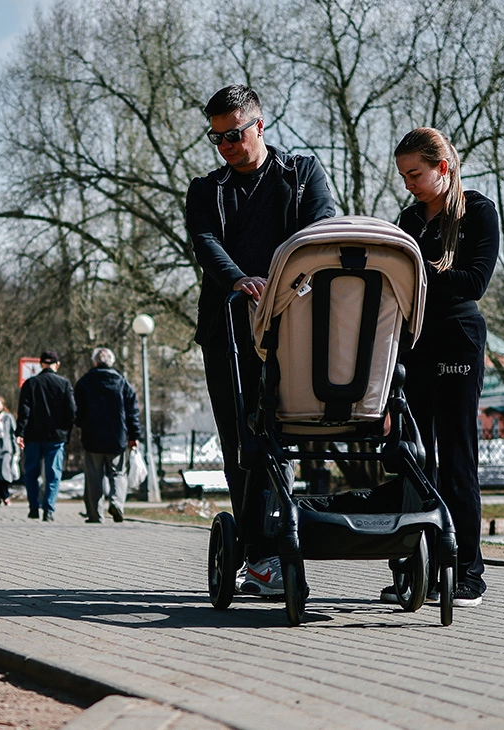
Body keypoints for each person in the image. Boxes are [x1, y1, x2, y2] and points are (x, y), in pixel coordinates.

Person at [185, 84, 337, 595]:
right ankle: (258, 554)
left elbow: (321, 231)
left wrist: (288, 282)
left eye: (234, 134)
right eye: (216, 137)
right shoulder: (207, 190)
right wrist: (238, 280)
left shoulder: (301, 174)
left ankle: (281, 543)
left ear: (260, 125)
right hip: (227, 330)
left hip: (292, 326)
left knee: (283, 436)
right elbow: (205, 241)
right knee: (242, 444)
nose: (226, 145)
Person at [383, 127, 498, 608]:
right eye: (402, 175)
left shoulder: (479, 211)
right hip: (412, 344)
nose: (408, 183)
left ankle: (467, 572)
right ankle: (415, 570)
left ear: (442, 167)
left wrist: (416, 271)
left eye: (415, 173)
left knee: (455, 459)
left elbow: (472, 282)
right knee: (412, 458)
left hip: (456, 340)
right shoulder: (408, 218)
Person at [73, 347, 141, 523]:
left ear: (95, 362)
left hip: (92, 437)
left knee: (94, 477)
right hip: (117, 437)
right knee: (118, 473)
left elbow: (77, 411)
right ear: (112, 362)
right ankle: (117, 504)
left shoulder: (84, 382)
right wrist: (134, 435)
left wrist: (80, 424)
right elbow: (132, 411)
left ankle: (95, 515)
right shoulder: (122, 382)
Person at [16, 350, 76, 521]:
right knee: (53, 473)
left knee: (31, 473)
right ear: (57, 365)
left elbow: (24, 411)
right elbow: (72, 412)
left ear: (41, 364)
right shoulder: (64, 384)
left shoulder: (30, 384)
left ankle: (34, 507)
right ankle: (48, 509)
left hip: (33, 435)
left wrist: (20, 432)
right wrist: (65, 429)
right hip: (56, 437)